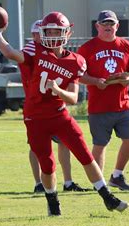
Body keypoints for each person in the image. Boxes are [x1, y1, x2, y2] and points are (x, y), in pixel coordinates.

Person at [0, 11, 128, 216]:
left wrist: (58, 90)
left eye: (57, 31)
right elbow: (10, 53)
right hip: (35, 117)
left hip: (59, 114)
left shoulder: (76, 61)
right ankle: (52, 201)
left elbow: (72, 98)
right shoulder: (35, 50)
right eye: (49, 31)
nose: (53, 35)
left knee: (85, 155)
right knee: (47, 164)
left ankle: (107, 196)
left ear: (67, 33)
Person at [78, 10, 129, 191]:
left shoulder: (126, 46)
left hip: (123, 103)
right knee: (100, 144)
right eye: (104, 24)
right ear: (97, 26)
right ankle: (99, 184)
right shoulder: (87, 48)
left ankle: (117, 175)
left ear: (117, 26)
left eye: (111, 24)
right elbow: (78, 74)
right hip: (99, 106)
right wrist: (95, 81)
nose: (108, 27)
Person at [23, 20, 88, 193]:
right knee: (38, 149)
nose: (43, 36)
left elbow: (71, 74)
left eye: (53, 32)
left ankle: (67, 181)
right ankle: (39, 183)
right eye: (39, 33)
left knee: (64, 143)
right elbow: (15, 54)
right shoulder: (32, 50)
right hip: (35, 106)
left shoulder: (52, 53)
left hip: (55, 106)